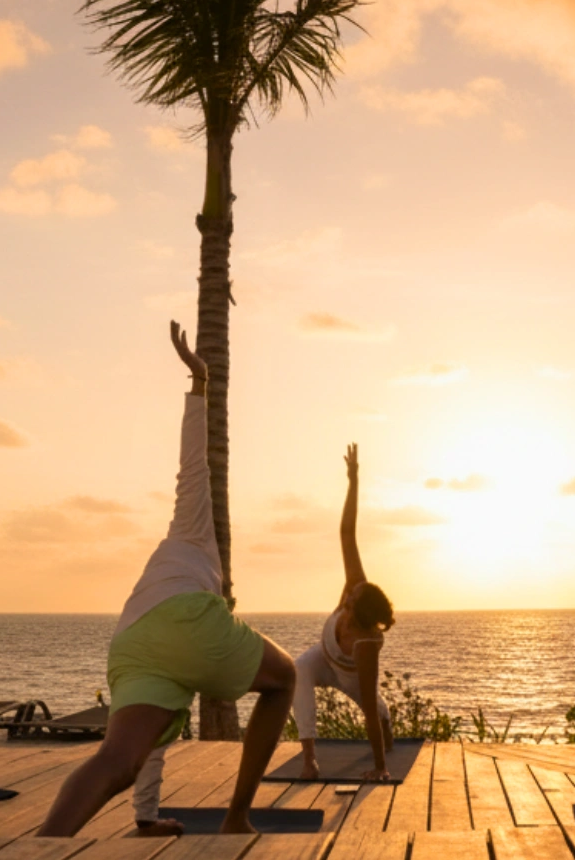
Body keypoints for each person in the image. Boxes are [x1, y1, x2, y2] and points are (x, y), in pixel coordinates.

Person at [37, 321, 296, 837]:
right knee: (285, 676)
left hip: (131, 643)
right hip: (183, 619)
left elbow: (153, 745)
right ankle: (237, 816)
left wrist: (148, 817)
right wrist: (199, 384)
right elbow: (192, 464)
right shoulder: (193, 529)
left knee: (120, 758)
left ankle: (45, 845)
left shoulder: (162, 560)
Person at [293, 443, 396, 781]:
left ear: (356, 612)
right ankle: (309, 759)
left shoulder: (366, 645)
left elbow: (363, 704)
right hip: (324, 659)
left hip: (351, 676)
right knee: (299, 670)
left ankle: (387, 721)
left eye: (353, 596)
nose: (350, 589)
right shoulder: (356, 584)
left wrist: (380, 768)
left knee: (375, 711)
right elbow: (347, 533)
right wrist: (353, 481)